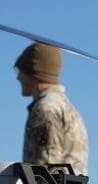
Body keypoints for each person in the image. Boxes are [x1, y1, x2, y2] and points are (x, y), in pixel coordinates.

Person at [15, 42, 89, 175]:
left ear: (34, 72)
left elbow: (45, 173)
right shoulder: (69, 109)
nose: (18, 77)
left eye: (20, 70)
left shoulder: (44, 110)